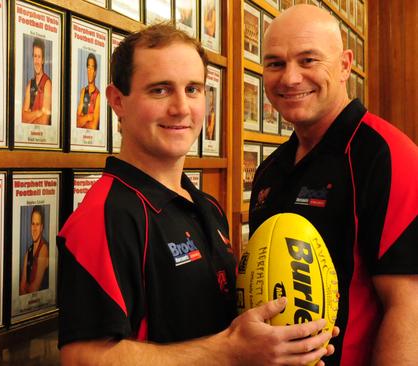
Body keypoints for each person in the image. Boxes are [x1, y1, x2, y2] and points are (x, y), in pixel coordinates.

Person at [58, 23, 337, 365]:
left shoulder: (205, 205)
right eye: (160, 90)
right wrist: (230, 351)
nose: (181, 107)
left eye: (193, 89)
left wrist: (280, 337)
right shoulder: (105, 214)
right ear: (118, 101)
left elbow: (224, 330)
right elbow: (82, 358)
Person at [249, 5, 418, 366]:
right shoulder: (269, 171)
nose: (290, 78)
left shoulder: (388, 155)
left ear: (344, 65)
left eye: (308, 60)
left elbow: (409, 308)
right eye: (275, 63)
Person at [19, 206, 48, 295]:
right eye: (33, 224)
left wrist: (26, 287)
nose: (34, 229)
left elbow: (34, 289)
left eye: (37, 224)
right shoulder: (28, 252)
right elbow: (21, 287)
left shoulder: (44, 249)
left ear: (42, 227)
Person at [21, 37, 51, 125]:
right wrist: (38, 113)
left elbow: (44, 122)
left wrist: (30, 115)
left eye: (39, 57)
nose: (37, 61)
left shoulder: (47, 84)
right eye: (35, 56)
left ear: (43, 60)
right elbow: (23, 118)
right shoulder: (30, 84)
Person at [76, 53, 100, 130]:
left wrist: (82, 119)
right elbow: (76, 122)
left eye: (92, 68)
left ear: (95, 72)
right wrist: (88, 117)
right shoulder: (83, 91)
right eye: (88, 67)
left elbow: (93, 127)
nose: (89, 71)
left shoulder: (98, 95)